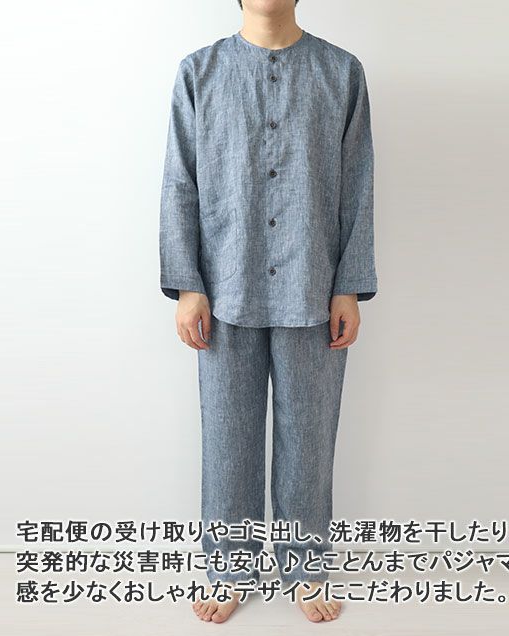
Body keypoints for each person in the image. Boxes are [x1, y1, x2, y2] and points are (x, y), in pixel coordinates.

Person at [159, 0, 377, 624]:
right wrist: (188, 284)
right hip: (224, 287)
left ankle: (305, 569)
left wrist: (348, 285)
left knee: (309, 440)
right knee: (227, 439)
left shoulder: (342, 71)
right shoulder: (199, 71)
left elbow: (358, 181)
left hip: (315, 285)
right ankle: (228, 568)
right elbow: (179, 180)